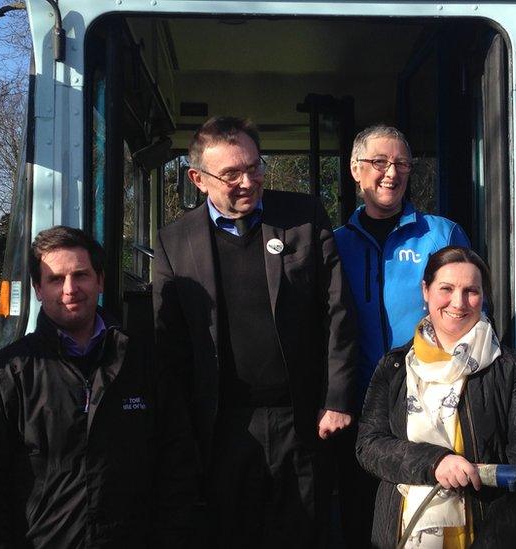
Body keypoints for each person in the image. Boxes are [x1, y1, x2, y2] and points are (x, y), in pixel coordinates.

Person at [152, 116, 359, 547]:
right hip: (223, 426)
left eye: (254, 167)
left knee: (305, 533)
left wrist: (335, 399)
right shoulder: (175, 241)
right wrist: (179, 428)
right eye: (231, 173)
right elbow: (169, 345)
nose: (248, 181)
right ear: (198, 179)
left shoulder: (302, 217)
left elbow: (337, 311)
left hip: (302, 420)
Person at [0, 226, 196, 547]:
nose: (70, 289)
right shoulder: (5, 376)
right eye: (55, 279)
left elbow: (178, 468)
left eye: (80, 275)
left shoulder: (146, 363)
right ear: (38, 288)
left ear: (100, 281)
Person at [356, 246, 516, 548]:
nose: (458, 302)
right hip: (403, 531)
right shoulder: (394, 366)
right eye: (446, 289)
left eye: (471, 291)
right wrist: (435, 462)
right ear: (426, 291)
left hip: (493, 536)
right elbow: (369, 447)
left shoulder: (515, 369)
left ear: (483, 296)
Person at [333, 124, 472, 547]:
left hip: (430, 404)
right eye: (379, 163)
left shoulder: (441, 234)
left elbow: (473, 314)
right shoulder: (335, 243)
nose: (391, 173)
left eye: (401, 164)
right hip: (359, 406)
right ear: (357, 170)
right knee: (362, 517)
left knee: (425, 518)